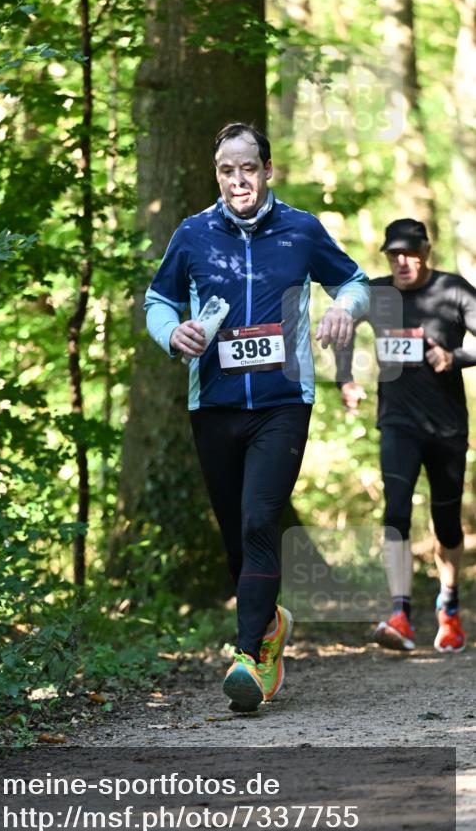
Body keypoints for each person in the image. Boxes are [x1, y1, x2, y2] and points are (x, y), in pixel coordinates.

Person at [145, 122, 369, 711]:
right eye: (226, 170)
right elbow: (158, 300)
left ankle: (252, 656)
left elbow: (354, 281)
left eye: (248, 167)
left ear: (268, 170)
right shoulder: (193, 233)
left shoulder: (300, 229)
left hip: (281, 404)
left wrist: (344, 309)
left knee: (258, 520)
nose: (238, 179)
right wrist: (173, 332)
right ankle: (269, 625)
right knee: (235, 542)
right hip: (213, 406)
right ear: (217, 175)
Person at [338, 218, 476, 653]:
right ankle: (399, 613)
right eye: (393, 254)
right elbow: (343, 323)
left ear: (425, 251)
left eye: (409, 253)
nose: (401, 261)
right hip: (397, 421)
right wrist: (345, 378)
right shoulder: (377, 293)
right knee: (395, 512)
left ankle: (448, 610)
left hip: (448, 427)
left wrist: (452, 357)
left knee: (447, 526)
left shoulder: (452, 290)